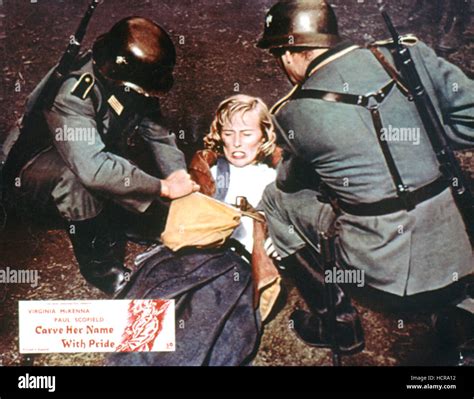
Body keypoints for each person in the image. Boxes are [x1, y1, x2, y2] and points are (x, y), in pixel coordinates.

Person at [257, 0, 473, 358]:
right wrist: (422, 137)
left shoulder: (291, 112)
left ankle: (337, 323)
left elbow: (289, 182)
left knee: (273, 200)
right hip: (456, 251)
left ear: (289, 53)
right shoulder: (408, 55)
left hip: (378, 273)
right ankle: (458, 313)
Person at [1, 17, 199, 296]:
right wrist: (163, 188)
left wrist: (177, 173)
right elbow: (93, 169)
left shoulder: (122, 73)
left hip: (81, 153)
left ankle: (123, 220)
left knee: (118, 164)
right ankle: (101, 267)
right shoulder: (73, 92)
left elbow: (155, 129)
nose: (146, 94)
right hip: (28, 176)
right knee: (79, 179)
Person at [108, 94, 280, 366]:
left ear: (264, 136)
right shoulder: (210, 168)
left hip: (234, 263)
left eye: (247, 134)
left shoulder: (274, 179)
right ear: (219, 135)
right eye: (229, 133)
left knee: (205, 323)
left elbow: (296, 219)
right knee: (151, 297)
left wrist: (279, 238)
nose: (236, 143)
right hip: (189, 252)